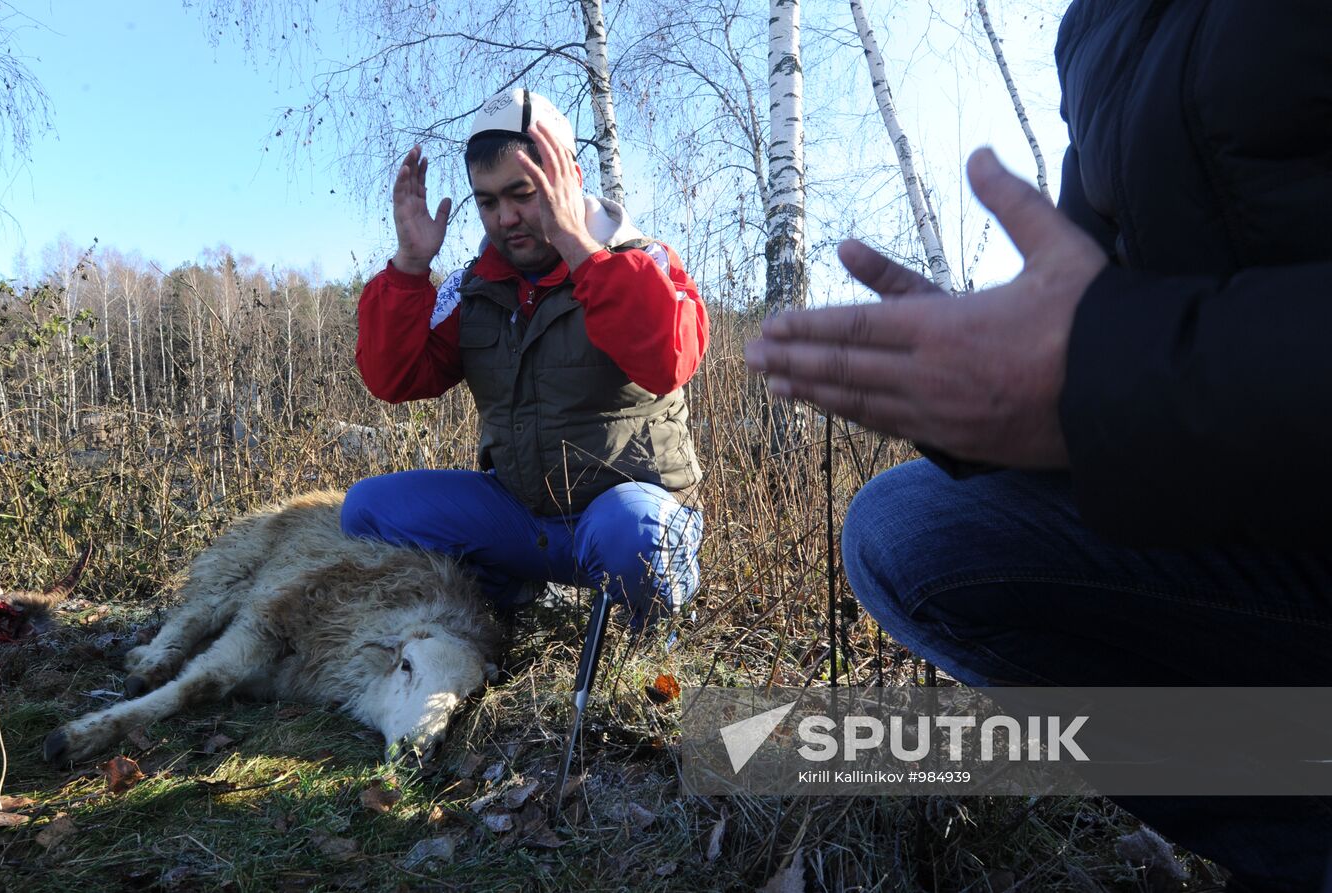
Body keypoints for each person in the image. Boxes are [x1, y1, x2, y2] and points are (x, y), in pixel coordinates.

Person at [744, 2, 1332, 891]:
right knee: (909, 532)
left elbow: (1112, 352)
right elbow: (1095, 293)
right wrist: (984, 392)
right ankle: (1295, 827)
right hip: (1243, 505)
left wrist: (1107, 373)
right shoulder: (1100, 24)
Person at [341, 88, 707, 630]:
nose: (506, 217)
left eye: (523, 193)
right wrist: (411, 265)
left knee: (633, 533)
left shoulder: (642, 259)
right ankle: (512, 590)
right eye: (487, 201)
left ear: (568, 180)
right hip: (520, 517)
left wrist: (578, 248)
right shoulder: (476, 287)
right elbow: (396, 379)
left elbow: (667, 360)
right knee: (367, 510)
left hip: (623, 514)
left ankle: (650, 633)